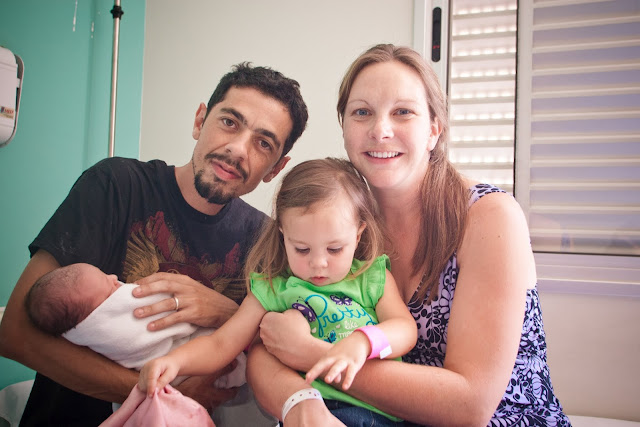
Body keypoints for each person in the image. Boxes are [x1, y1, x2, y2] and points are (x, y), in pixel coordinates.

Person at [247, 44, 572, 426]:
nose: (380, 130)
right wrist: (301, 404)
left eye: (403, 112)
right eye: (362, 112)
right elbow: (268, 343)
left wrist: (315, 355)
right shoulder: (341, 225)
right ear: (344, 128)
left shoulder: (489, 217)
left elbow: (470, 406)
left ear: (434, 129)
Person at [0, 62, 308, 426]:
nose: (238, 149)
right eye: (229, 122)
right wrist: (162, 393)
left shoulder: (269, 242)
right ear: (200, 121)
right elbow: (15, 333)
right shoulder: (115, 185)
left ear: (276, 168)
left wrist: (226, 313)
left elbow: (285, 348)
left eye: (263, 143)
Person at [137, 157, 418, 426]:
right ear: (283, 233)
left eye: (335, 249)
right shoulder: (273, 287)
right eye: (302, 249)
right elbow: (221, 344)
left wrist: (363, 342)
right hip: (311, 412)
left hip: (380, 413)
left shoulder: (370, 276)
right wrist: (174, 362)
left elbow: (405, 329)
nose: (318, 263)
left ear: (358, 234)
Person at [24, 263, 246, 397]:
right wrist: (166, 393)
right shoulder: (110, 318)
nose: (114, 279)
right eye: (107, 284)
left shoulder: (77, 331)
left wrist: (226, 311)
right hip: (181, 370)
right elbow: (169, 316)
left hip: (185, 371)